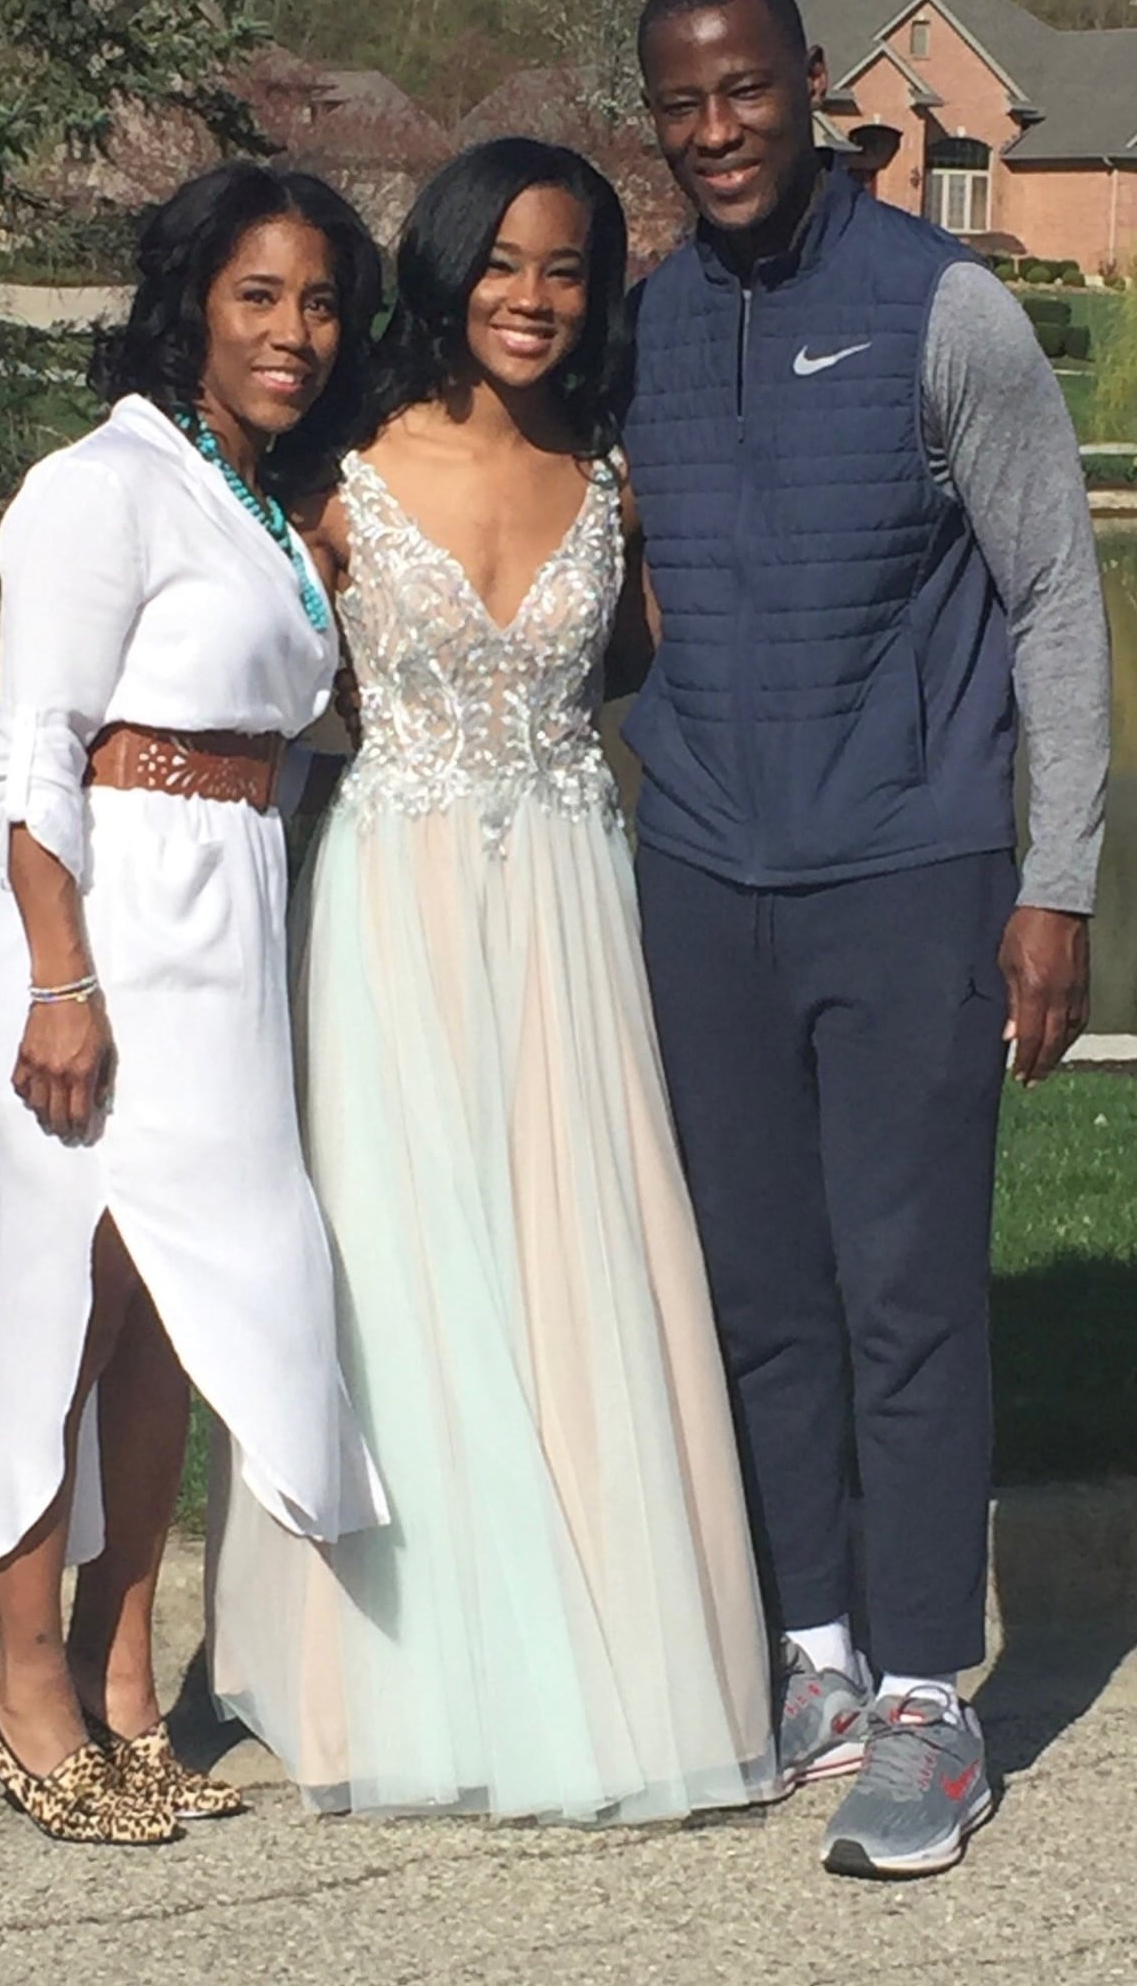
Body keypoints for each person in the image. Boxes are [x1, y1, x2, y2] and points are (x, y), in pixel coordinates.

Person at [205, 137, 781, 1823]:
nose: (534, 300)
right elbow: (248, 679)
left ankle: (617, 1651)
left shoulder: (610, 475)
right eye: (507, 263)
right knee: (408, 1267)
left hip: (574, 910)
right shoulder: (338, 469)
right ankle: (393, 1678)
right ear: (449, 265)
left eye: (571, 270)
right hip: (397, 905)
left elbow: (649, 661)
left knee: (583, 1251)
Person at [625, 0, 1111, 1878]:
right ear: (656, 120)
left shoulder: (947, 308)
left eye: (748, 91)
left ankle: (932, 1696)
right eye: (682, 103)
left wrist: (1055, 878)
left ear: (814, 89)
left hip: (910, 875)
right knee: (764, 1293)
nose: (718, 130)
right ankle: (813, 1656)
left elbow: (1057, 597)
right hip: (703, 878)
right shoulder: (645, 323)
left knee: (907, 1296)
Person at [0, 163, 388, 1845]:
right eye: (260, 295)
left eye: (322, 303)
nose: (295, 331)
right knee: (67, 1292)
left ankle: (125, 1655)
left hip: (229, 911)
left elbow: (307, 716)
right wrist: (62, 977)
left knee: (185, 1298)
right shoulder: (104, 483)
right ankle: (20, 1674)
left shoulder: (271, 507)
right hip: (102, 919)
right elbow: (31, 752)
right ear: (192, 302)